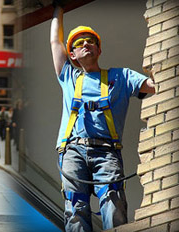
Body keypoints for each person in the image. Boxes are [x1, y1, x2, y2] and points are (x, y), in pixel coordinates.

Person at [50, 4, 155, 232]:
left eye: (90, 41)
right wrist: (58, 9)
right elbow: (54, 43)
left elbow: (155, 86)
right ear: (73, 55)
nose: (85, 44)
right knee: (75, 208)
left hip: (107, 151)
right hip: (72, 151)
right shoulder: (69, 76)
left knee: (113, 202)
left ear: (98, 49)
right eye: (79, 43)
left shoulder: (122, 76)